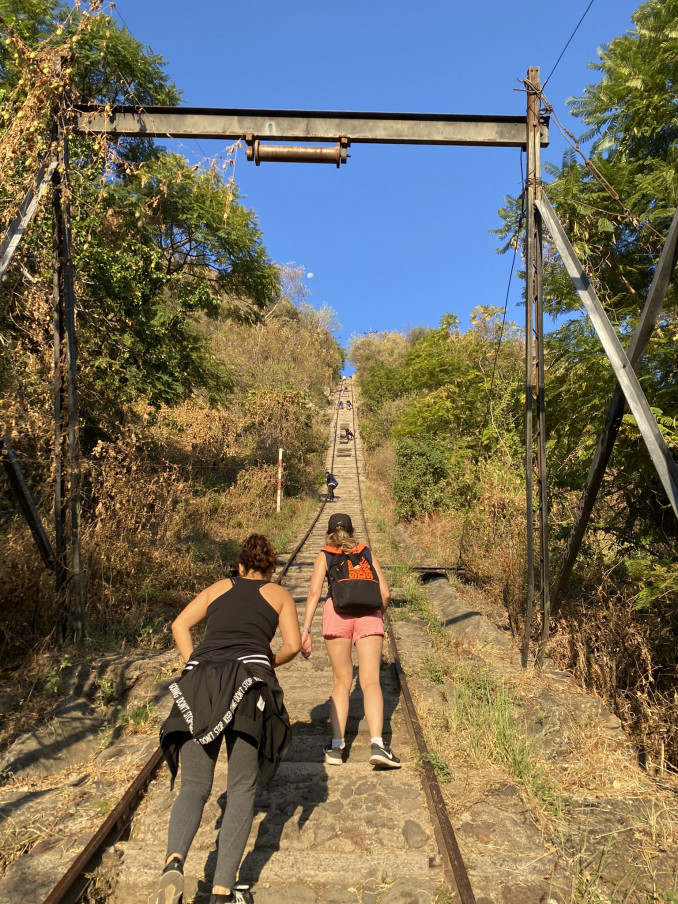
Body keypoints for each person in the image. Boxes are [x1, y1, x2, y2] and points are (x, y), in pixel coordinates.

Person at [155, 535, 301, 904]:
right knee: (240, 789)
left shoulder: (220, 586)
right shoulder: (279, 594)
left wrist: (192, 664)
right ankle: (222, 891)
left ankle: (173, 863)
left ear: (239, 567)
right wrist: (267, 661)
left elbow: (179, 626)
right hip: (248, 684)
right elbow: (293, 646)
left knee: (194, 786)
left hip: (201, 680)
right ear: (271, 569)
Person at [300, 513, 401, 769]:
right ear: (353, 531)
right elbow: (385, 592)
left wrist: (306, 628)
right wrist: (378, 614)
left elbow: (313, 593)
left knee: (342, 682)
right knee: (370, 682)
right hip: (369, 616)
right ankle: (378, 745)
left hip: (337, 615)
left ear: (328, 533)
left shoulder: (325, 554)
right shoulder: (365, 551)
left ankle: (336, 747)